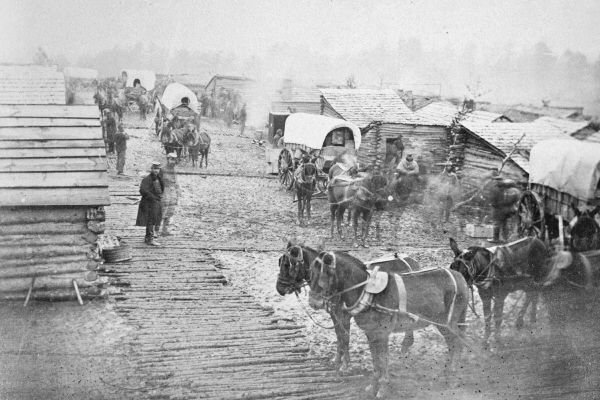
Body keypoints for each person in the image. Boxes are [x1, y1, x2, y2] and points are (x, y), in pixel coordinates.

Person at [484, 170, 519, 243]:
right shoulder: (506, 187)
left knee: (496, 224)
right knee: (504, 224)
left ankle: (495, 239)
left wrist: (492, 205)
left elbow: (493, 200)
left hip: (498, 209)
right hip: (507, 208)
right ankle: (505, 239)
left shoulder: (495, 188)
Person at [136, 162, 164, 246]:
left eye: (158, 169)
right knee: (150, 220)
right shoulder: (147, 179)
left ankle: (148, 237)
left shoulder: (158, 178)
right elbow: (142, 191)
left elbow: (160, 189)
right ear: (151, 169)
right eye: (154, 169)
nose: (156, 171)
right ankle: (149, 238)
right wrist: (152, 197)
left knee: (154, 219)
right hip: (149, 203)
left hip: (156, 202)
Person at [156, 153, 181, 236]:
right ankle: (156, 231)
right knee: (162, 211)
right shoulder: (162, 170)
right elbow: (157, 182)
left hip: (172, 190)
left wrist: (178, 192)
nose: (173, 162)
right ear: (168, 159)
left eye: (174, 160)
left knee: (170, 211)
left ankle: (165, 230)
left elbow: (176, 181)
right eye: (171, 159)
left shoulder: (174, 170)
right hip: (164, 191)